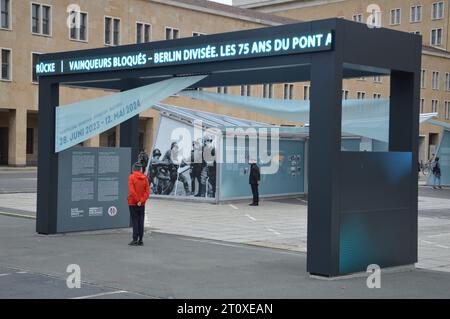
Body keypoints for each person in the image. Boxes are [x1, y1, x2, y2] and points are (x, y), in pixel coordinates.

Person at [128, 162, 150, 246]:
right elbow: (147, 192)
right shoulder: (145, 178)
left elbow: (131, 190)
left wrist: (137, 200)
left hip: (132, 203)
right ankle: (140, 240)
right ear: (140, 169)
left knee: (135, 221)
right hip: (142, 204)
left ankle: (134, 239)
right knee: (141, 221)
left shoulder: (131, 177)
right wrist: (141, 201)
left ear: (133, 169)